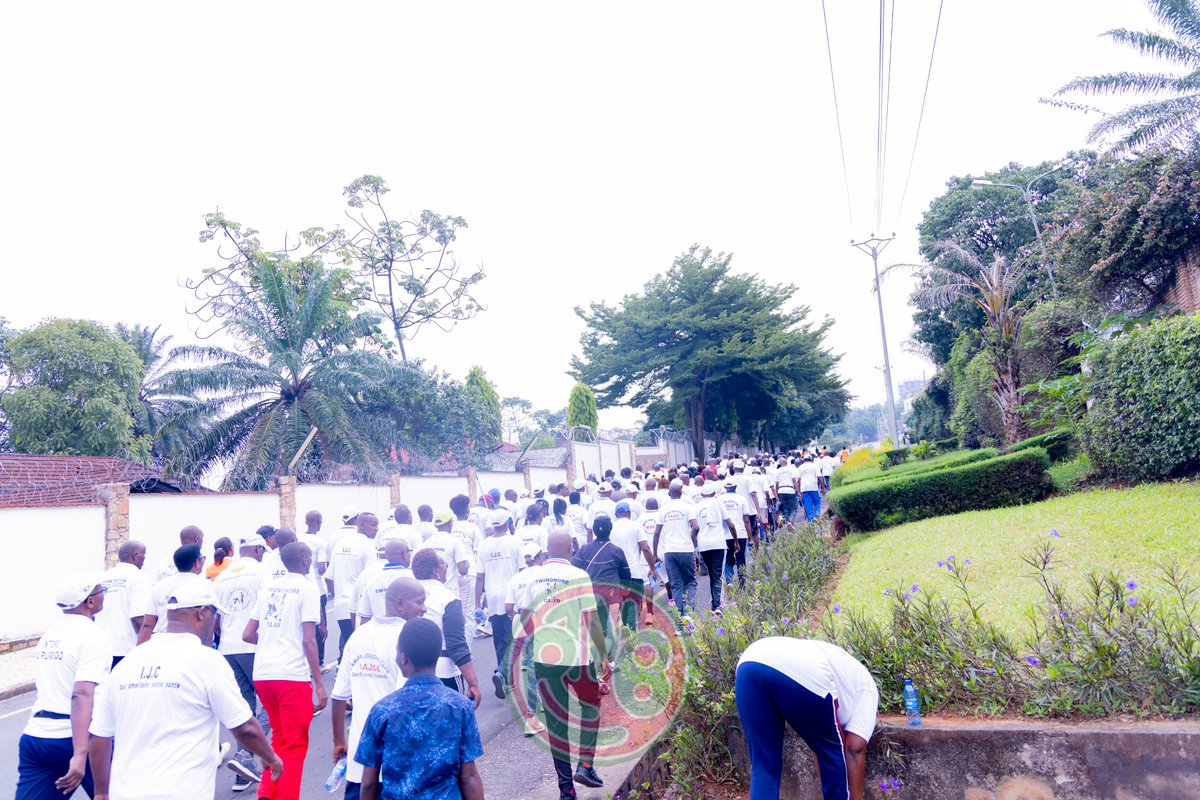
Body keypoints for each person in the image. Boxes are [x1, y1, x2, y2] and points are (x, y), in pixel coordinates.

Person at [89, 575, 282, 800]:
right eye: (215, 615)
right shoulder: (206, 660)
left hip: (125, 792)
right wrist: (270, 757)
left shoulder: (129, 662)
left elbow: (99, 736)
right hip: (182, 791)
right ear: (202, 613)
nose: (216, 623)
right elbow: (244, 727)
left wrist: (101, 792)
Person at [518, 531, 610, 798]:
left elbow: (524, 619)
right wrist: (603, 656)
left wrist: (542, 633)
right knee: (590, 706)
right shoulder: (579, 575)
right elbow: (591, 621)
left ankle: (566, 791)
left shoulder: (532, 576)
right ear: (571, 549)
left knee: (557, 724)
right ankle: (585, 764)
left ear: (546, 550)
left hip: (545, 659)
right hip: (578, 659)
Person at [355, 617, 484, 800]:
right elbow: (469, 776)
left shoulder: (382, 711)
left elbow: (368, 783)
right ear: (437, 654)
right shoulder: (460, 707)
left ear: (403, 658)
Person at [736, 637, 879, 800]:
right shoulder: (869, 692)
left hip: (749, 662)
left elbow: (819, 746)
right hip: (805, 670)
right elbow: (854, 748)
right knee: (832, 751)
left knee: (764, 767)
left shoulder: (845, 670)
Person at [243, 541, 327, 800]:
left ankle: (268, 793)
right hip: (290, 675)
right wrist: (320, 683)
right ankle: (283, 796)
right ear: (304, 559)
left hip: (264, 673)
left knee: (280, 738)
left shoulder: (269, 588)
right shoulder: (307, 588)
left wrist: (274, 640)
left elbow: (247, 634)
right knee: (295, 744)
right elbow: (309, 640)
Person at [16, 572, 110, 800]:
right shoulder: (93, 636)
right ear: (90, 601)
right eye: (101, 592)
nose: (104, 596)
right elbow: (81, 693)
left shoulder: (50, 635)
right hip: (78, 739)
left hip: (36, 738)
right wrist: (79, 753)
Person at [331, 577, 427, 800]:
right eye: (420, 602)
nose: (424, 608)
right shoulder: (409, 636)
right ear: (400, 604)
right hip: (396, 761)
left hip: (359, 760)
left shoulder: (358, 635)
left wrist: (338, 741)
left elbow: (338, 696)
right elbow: (406, 702)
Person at [213, 532, 270, 791]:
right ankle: (245, 756)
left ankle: (241, 774)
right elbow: (268, 610)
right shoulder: (261, 572)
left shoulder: (223, 575)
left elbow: (214, 617)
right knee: (271, 703)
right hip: (253, 645)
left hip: (228, 647)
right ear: (258, 550)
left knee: (243, 708)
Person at [410, 548, 481, 707]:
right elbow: (456, 645)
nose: (447, 568)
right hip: (443, 671)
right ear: (436, 571)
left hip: (410, 672)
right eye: (445, 564)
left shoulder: (408, 594)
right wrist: (473, 682)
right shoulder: (448, 597)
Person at [571, 514, 631, 673]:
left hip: (590, 592)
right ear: (610, 529)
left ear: (594, 531)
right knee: (610, 625)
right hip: (611, 593)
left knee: (593, 626)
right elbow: (626, 575)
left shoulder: (584, 549)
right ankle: (609, 660)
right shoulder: (617, 551)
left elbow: (573, 566)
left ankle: (595, 660)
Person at [475, 508, 523, 699]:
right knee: (513, 639)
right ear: (507, 522)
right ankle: (503, 673)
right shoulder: (515, 541)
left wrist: (478, 604)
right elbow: (521, 571)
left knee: (499, 641)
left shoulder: (483, 545)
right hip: (511, 595)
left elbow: (480, 577)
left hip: (493, 597)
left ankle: (505, 678)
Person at [504, 543, 547, 736]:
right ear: (540, 558)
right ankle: (535, 711)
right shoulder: (544, 573)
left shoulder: (516, 577)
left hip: (521, 621)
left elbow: (508, 607)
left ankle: (533, 711)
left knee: (529, 665)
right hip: (543, 621)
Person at [329, 512, 378, 659]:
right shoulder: (368, 545)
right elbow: (371, 578)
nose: (377, 529)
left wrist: (337, 596)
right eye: (373, 525)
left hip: (340, 607)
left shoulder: (341, 544)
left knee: (349, 648)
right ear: (361, 525)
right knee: (362, 651)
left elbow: (328, 577)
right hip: (359, 608)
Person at [94, 539, 148, 669]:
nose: (144, 559)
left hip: (100, 648)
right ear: (135, 556)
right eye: (143, 555)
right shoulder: (139, 577)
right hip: (126, 649)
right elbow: (138, 618)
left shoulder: (101, 577)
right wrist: (146, 649)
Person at [138, 544, 204, 644]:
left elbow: (147, 624)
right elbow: (210, 625)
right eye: (203, 558)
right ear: (197, 563)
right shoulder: (205, 586)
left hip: (163, 646)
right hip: (192, 645)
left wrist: (138, 653)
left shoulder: (158, 587)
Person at [653, 481, 700, 619]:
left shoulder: (663, 510)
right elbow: (696, 527)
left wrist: (655, 553)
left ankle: (680, 615)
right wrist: (691, 537)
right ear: (681, 493)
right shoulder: (687, 507)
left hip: (670, 551)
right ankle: (689, 613)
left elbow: (656, 533)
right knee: (690, 581)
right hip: (686, 549)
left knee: (676, 584)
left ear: (668, 494)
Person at [609, 502, 656, 631]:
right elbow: (645, 548)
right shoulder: (636, 526)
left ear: (616, 515)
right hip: (634, 573)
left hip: (616, 575)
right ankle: (630, 634)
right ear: (629, 514)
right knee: (634, 606)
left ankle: (625, 628)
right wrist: (652, 568)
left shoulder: (611, 527)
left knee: (621, 604)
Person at [694, 484, 736, 612]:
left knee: (713, 574)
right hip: (718, 543)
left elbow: (694, 528)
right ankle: (717, 605)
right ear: (713, 494)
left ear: (702, 496)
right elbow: (730, 524)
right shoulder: (718, 504)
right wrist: (735, 541)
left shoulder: (696, 507)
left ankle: (715, 602)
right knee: (718, 575)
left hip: (703, 545)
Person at [298, 510, 331, 668]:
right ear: (319, 522)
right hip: (317, 588)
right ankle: (319, 663)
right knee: (319, 626)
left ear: (306, 522)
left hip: (298, 587)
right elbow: (322, 568)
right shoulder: (321, 542)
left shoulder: (298, 539)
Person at [354, 539, 415, 623]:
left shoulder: (373, 580)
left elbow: (364, 618)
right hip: (407, 632)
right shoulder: (413, 578)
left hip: (379, 633)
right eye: (409, 552)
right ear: (404, 554)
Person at [720, 479, 755, 587]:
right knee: (741, 559)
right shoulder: (742, 499)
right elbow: (746, 520)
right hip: (740, 533)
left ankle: (730, 582)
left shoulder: (719, 500)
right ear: (735, 487)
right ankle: (742, 584)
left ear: (725, 488)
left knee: (729, 560)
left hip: (725, 534)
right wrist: (750, 537)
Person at [798, 455, 822, 523]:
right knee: (817, 502)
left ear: (804, 460)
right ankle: (817, 515)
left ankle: (811, 520)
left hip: (804, 488)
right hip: (813, 487)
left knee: (808, 505)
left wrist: (799, 491)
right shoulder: (814, 465)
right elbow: (819, 477)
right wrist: (823, 487)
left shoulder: (800, 467)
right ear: (811, 459)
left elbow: (798, 480)